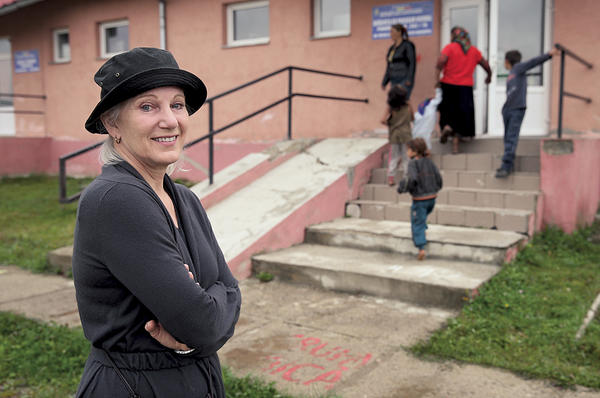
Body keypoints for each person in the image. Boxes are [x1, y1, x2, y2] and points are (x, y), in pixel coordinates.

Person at [72, 47, 242, 397]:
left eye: (177, 105)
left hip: (194, 379)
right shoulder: (116, 199)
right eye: (148, 106)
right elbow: (204, 324)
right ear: (112, 123)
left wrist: (208, 310)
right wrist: (210, 305)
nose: (170, 120)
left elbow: (232, 292)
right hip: (138, 386)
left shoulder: (186, 199)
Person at [496, 47, 559, 178]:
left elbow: (533, 62)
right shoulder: (512, 72)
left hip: (517, 108)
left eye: (504, 61)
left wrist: (549, 55)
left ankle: (506, 166)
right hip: (508, 108)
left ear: (507, 61)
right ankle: (508, 164)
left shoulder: (518, 68)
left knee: (511, 138)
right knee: (507, 137)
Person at [435, 26, 492, 154]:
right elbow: (485, 64)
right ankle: (455, 147)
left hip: (448, 85)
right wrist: (489, 75)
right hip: (465, 87)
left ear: (454, 36)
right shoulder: (473, 51)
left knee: (448, 112)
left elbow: (441, 61)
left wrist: (436, 79)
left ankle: (447, 127)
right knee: (461, 116)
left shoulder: (449, 48)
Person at [397, 138, 443, 261]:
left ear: (414, 151)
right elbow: (438, 178)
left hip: (420, 199)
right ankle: (423, 229)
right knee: (422, 218)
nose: (407, 152)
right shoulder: (430, 162)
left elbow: (411, 180)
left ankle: (421, 248)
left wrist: (402, 188)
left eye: (408, 150)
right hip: (432, 198)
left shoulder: (413, 164)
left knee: (417, 222)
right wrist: (436, 189)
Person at [381, 85, 414, 186]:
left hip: (394, 135)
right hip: (406, 134)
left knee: (394, 157)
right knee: (406, 157)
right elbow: (412, 118)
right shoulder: (408, 106)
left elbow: (382, 120)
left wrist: (391, 124)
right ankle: (407, 178)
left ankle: (391, 178)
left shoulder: (390, 108)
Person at [382, 24, 417, 99]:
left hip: (404, 79)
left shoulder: (408, 45)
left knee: (402, 101)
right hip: (394, 79)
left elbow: (412, 63)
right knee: (393, 102)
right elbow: (389, 66)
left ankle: (410, 111)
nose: (390, 34)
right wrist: (384, 81)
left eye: (392, 31)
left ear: (399, 32)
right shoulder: (392, 49)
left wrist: (409, 78)